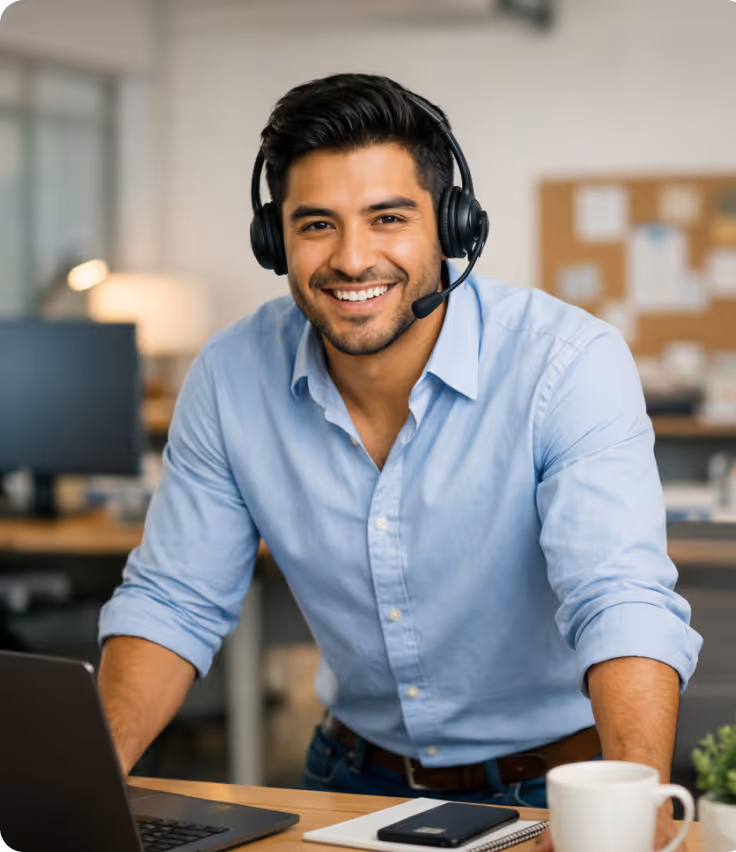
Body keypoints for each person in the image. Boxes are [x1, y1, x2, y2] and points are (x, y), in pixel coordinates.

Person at [98, 74, 701, 849]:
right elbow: (174, 599)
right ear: (272, 237)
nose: (353, 259)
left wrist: (629, 796)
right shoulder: (230, 374)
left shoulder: (566, 363)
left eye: (388, 218)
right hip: (347, 783)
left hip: (553, 788)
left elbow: (618, 595)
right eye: (316, 224)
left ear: (451, 226)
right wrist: (95, 774)